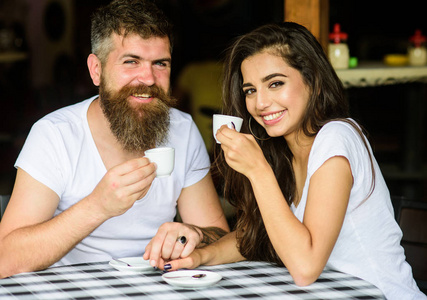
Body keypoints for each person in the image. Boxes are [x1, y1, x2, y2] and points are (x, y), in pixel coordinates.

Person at [161, 22, 426, 299]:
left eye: (275, 83)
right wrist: (200, 257)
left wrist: (257, 170)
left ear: (312, 80)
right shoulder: (281, 151)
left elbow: (305, 267)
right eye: (250, 90)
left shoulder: (337, 137)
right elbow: (254, 238)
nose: (260, 103)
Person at [0, 0, 229, 278]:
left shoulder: (183, 130)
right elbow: (5, 259)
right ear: (96, 70)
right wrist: (98, 206)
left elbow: (219, 236)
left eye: (160, 63)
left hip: (159, 286)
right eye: (131, 62)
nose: (147, 78)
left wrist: (192, 234)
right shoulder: (54, 135)